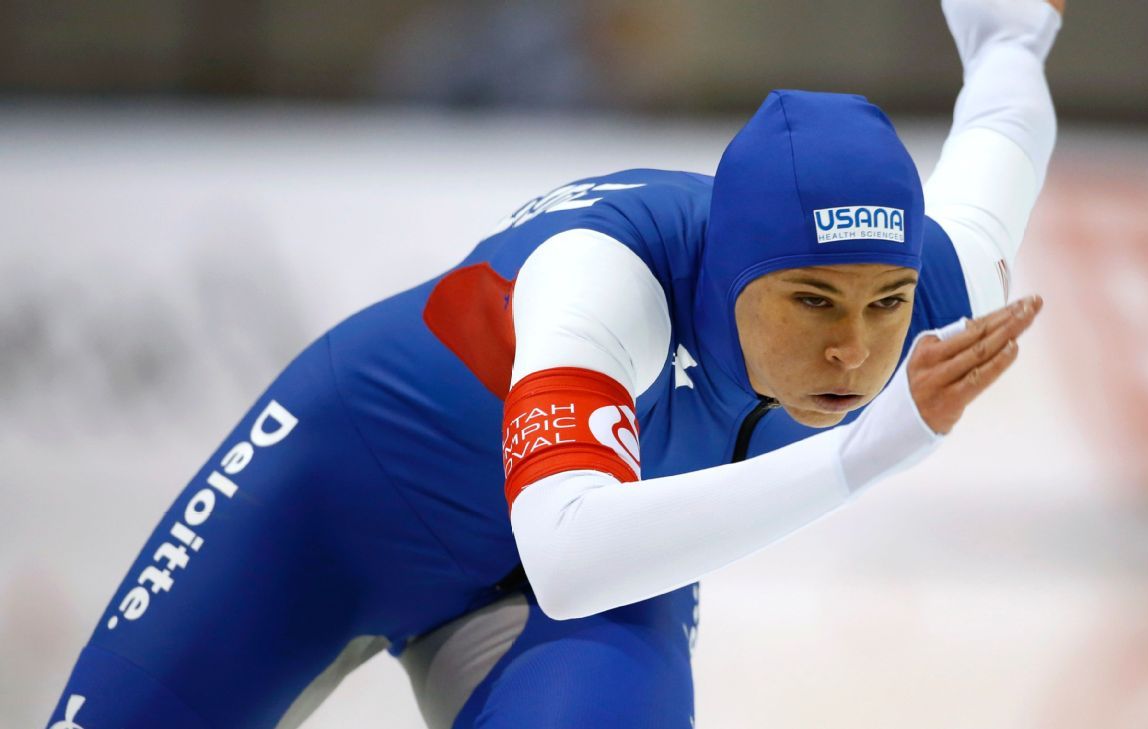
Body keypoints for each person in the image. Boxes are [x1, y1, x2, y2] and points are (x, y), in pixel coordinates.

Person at [47, 0, 1064, 726]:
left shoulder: (937, 281)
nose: (854, 347)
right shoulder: (605, 277)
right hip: (339, 503)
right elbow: (569, 550)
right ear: (729, 277)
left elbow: (1005, 124)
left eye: (885, 304)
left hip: (584, 565)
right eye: (810, 302)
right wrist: (874, 451)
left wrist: (1013, 24)